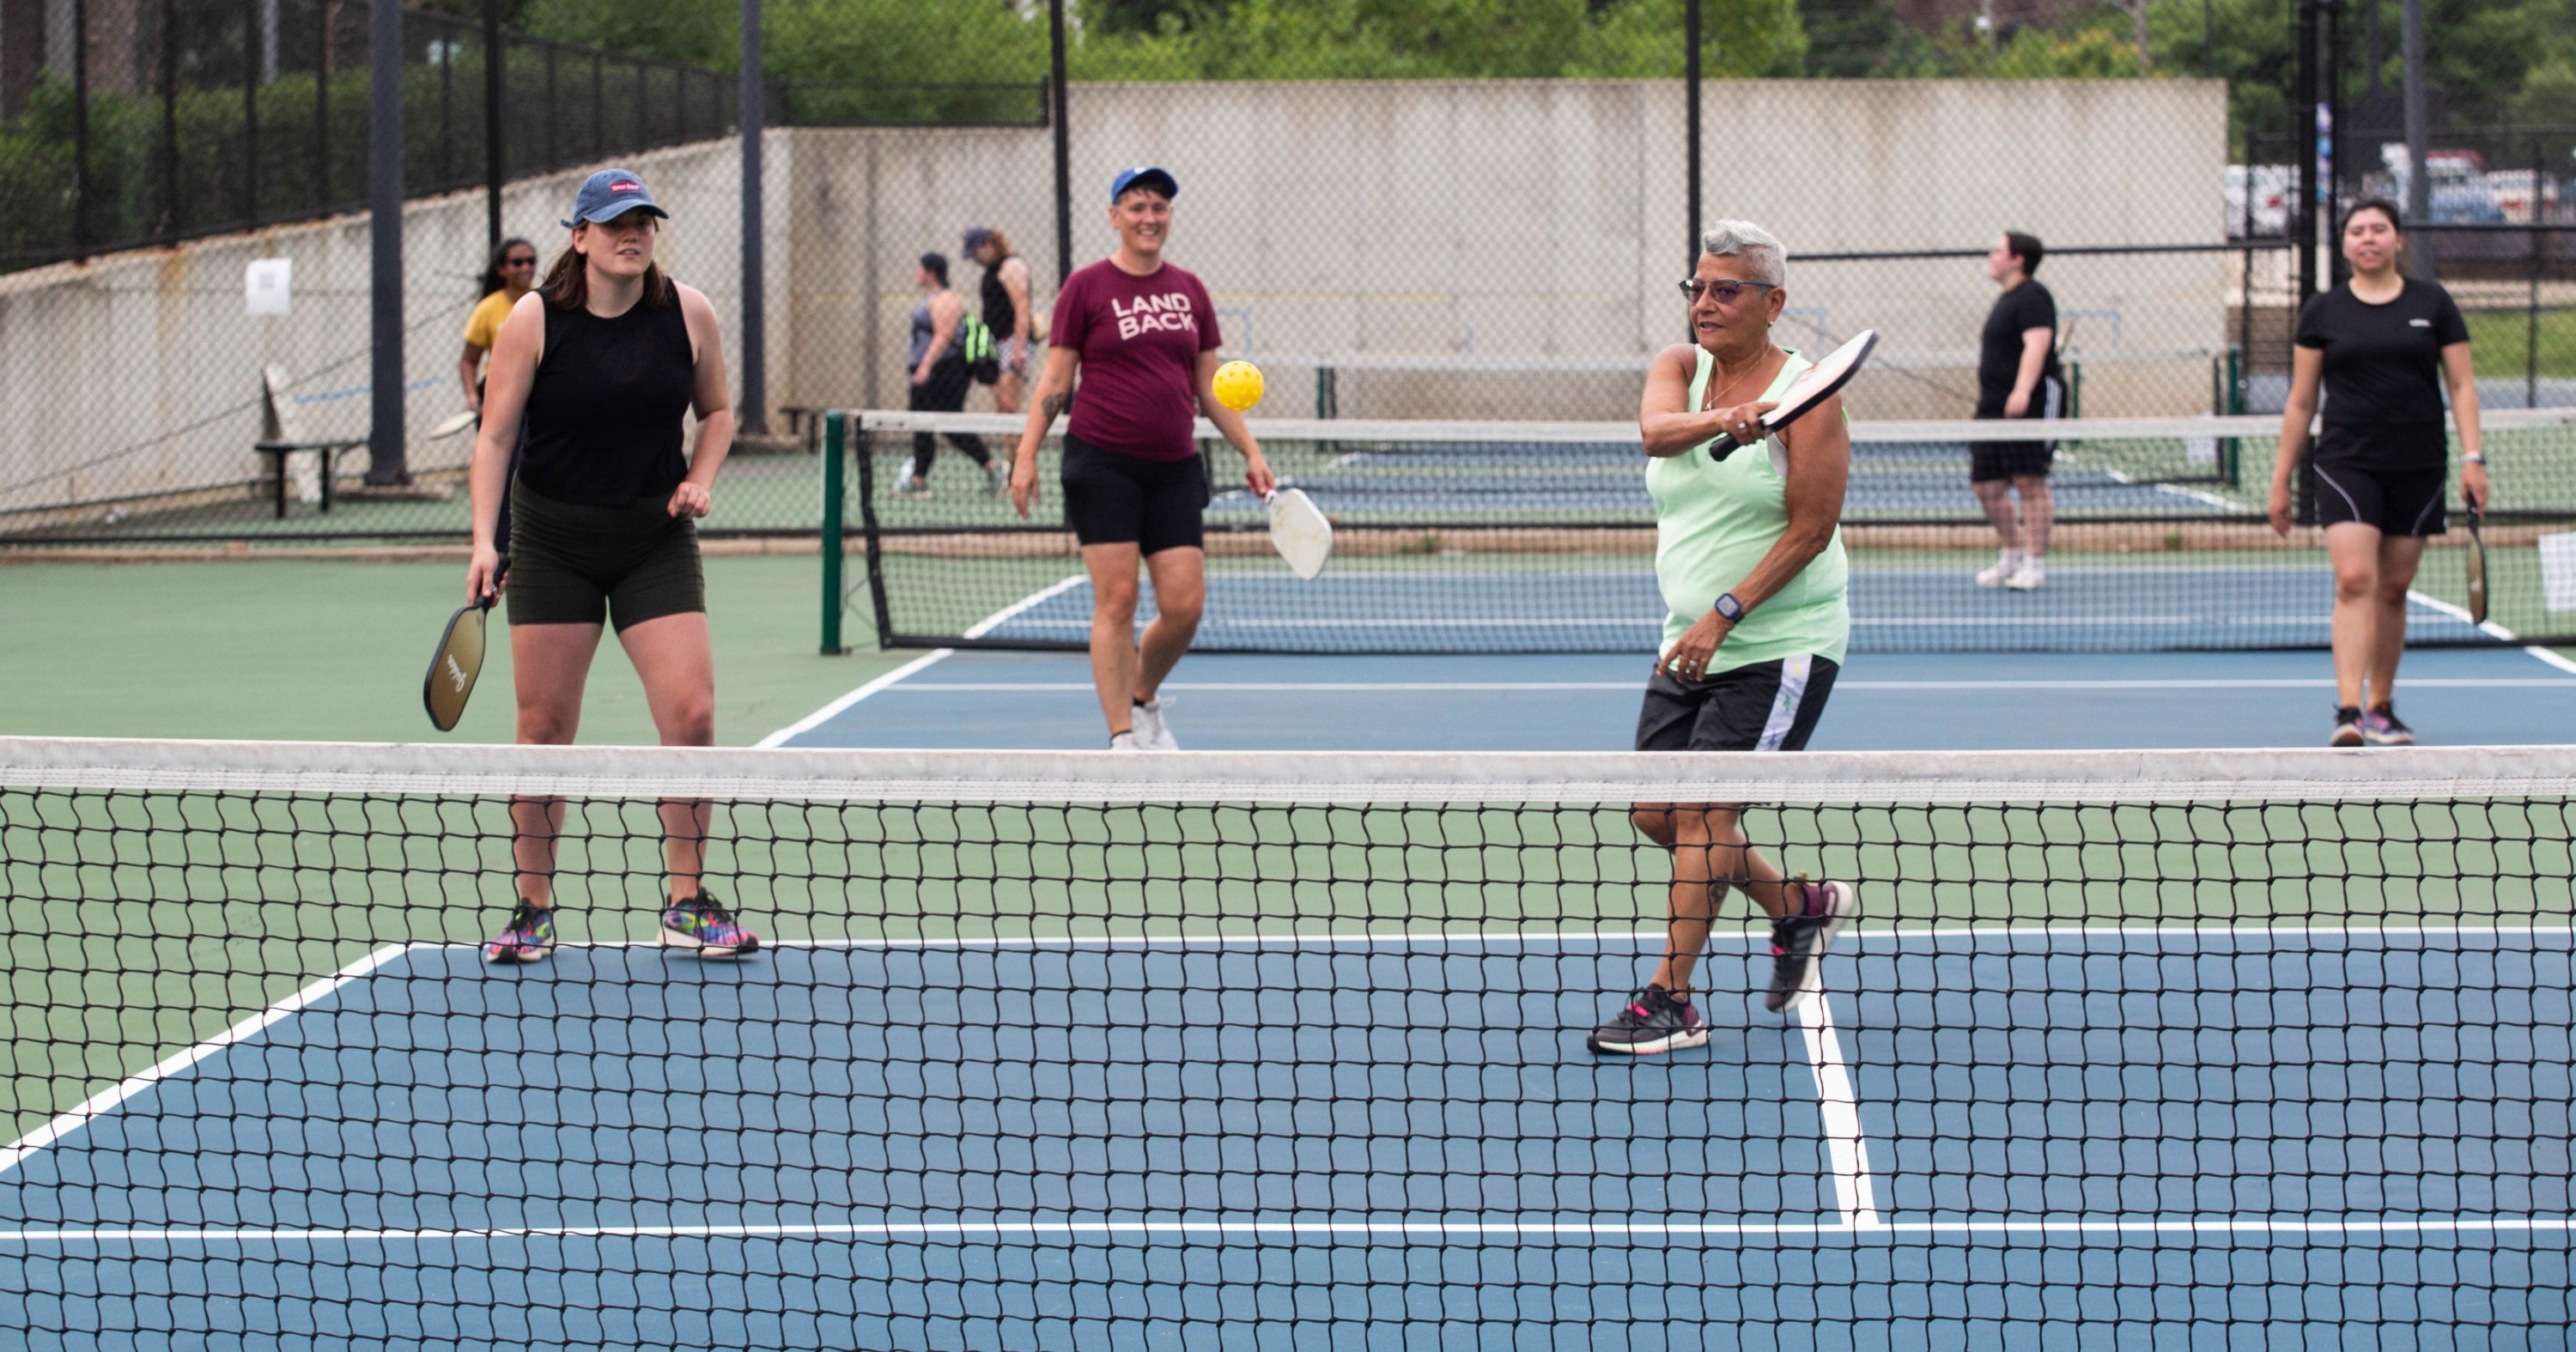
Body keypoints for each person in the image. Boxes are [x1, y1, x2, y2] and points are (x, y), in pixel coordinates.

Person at [465, 167, 759, 964]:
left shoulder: (687, 313)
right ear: (581, 236)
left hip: (652, 538)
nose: (634, 234)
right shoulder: (534, 319)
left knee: (692, 716)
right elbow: (494, 438)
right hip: (553, 540)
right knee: (544, 729)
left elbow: (721, 412)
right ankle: (532, 909)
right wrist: (485, 541)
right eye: (617, 222)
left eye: (645, 222)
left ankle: (686, 901)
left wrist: (701, 477)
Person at [1588, 221, 1860, 1056]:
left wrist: (1726, 613)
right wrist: (1735, 417)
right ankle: (1796, 909)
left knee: (1707, 810)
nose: (1705, 303)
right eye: (1697, 288)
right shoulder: (1680, 367)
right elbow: (1655, 431)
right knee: (1654, 814)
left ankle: (1672, 1000)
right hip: (1687, 636)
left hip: (1778, 640)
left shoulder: (1811, 398)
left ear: (1773, 304)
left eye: (1726, 290)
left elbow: (1813, 530)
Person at [1007, 166, 1275, 750]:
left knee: (1184, 606)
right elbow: (1056, 377)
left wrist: (1250, 450)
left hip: (1175, 466)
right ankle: (1122, 738)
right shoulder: (1087, 286)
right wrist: (1025, 455)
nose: (1149, 217)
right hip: (1102, 463)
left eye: (1159, 207)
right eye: (1136, 207)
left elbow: (1210, 386)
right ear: (1114, 217)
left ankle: (1142, 697)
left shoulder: (1190, 290)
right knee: (1119, 599)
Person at [2269, 198, 2485, 748]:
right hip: (2346, 461)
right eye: (2358, 231)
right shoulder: (2323, 312)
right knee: (2354, 581)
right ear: (2344, 246)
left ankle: (2382, 707)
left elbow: (2461, 386)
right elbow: (2300, 401)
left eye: (2379, 229)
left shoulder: (2432, 303)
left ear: (2398, 240)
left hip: (2419, 463)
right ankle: (2347, 711)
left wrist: (2473, 458)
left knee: (2393, 588)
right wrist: (2280, 478)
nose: (2368, 238)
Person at [1970, 230, 2067, 591]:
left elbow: (2037, 344)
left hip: (2030, 403)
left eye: (1998, 251)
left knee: (2030, 483)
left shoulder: (2033, 296)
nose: (1991, 256)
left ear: (2017, 259)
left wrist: (2023, 391)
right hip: (1993, 405)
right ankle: (2011, 555)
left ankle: (2035, 564)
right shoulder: (2005, 299)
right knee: (1986, 485)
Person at [894, 252, 1003, 498]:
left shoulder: (945, 300)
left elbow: (944, 336)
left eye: (920, 268)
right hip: (935, 371)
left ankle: (920, 478)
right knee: (929, 424)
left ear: (931, 272)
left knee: (942, 422)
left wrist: (925, 367)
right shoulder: (933, 298)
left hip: (944, 371)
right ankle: (920, 477)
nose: (916, 273)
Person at [458, 236, 538, 415]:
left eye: (531, 261)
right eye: (517, 262)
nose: (526, 267)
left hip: (537, 390)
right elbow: (469, 361)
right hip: (497, 392)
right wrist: (472, 397)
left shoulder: (548, 301)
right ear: (502, 269)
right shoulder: (487, 308)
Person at [965, 226, 1036, 414]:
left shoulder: (1011, 266)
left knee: (1010, 405)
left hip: (1012, 342)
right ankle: (1012, 444)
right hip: (995, 342)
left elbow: (1022, 308)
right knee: (1003, 407)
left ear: (988, 245)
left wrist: (1019, 348)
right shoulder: (991, 270)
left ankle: (1022, 444)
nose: (975, 259)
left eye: (976, 252)